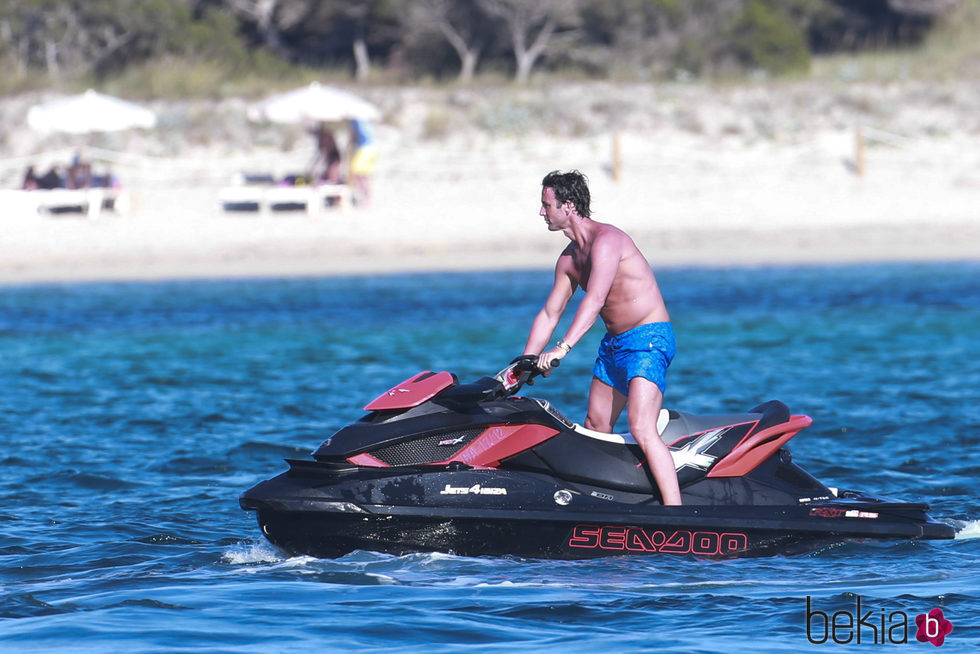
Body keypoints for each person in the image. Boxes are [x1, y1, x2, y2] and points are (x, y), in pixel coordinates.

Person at [522, 170, 682, 505]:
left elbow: (594, 299)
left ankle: (676, 513)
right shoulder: (568, 259)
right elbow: (551, 312)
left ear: (568, 206)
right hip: (614, 344)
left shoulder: (608, 242)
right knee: (595, 427)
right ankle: (606, 502)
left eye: (546, 205)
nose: (541, 212)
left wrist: (562, 348)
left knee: (640, 426)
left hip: (648, 339)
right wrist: (526, 361)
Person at [348, 118, 378, 206]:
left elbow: (354, 135)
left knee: (358, 173)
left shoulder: (356, 119)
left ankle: (366, 199)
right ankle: (367, 198)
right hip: (371, 148)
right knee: (365, 175)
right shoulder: (364, 118)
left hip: (364, 149)